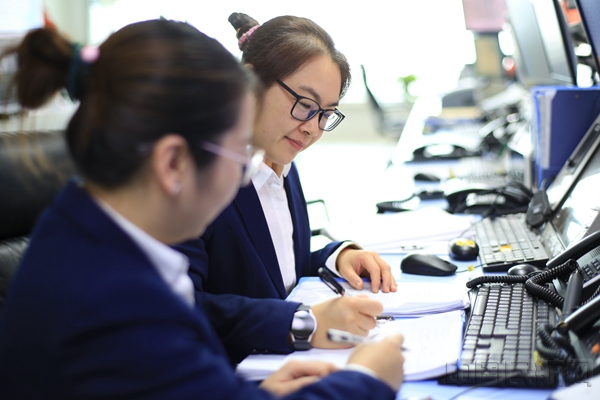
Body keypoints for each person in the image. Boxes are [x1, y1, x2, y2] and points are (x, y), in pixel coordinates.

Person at [0, 19, 405, 399]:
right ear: (172, 162)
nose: (245, 177)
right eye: (238, 154)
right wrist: (366, 379)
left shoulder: (83, 230)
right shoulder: (119, 303)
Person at [175, 12, 398, 310]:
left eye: (326, 114)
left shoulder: (282, 162)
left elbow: (281, 274)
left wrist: (338, 256)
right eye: (305, 105)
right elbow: (185, 307)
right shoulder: (199, 178)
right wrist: (296, 322)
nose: (313, 128)